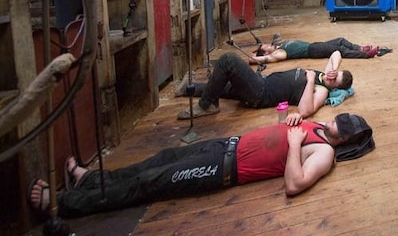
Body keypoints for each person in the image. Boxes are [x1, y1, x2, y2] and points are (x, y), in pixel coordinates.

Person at [29, 113, 374, 218]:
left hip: (222, 169)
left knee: (152, 181)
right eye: (336, 119)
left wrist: (297, 143)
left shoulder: (324, 153)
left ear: (342, 140)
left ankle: (62, 206)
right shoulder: (316, 126)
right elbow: (281, 125)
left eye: (338, 128)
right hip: (227, 144)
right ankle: (90, 179)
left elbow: (294, 185)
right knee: (159, 159)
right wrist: (290, 118)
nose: (331, 123)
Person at [176, 50, 353, 120]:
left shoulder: (322, 90)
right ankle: (187, 89)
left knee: (228, 60)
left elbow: (305, 111)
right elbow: (336, 53)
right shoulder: (326, 74)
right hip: (262, 82)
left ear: (335, 88)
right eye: (334, 75)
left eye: (334, 80)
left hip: (260, 93)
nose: (331, 77)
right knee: (222, 87)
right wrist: (334, 69)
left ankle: (206, 106)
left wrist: (310, 81)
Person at [250, 37, 392, 65]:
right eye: (265, 47)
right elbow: (265, 60)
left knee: (341, 40)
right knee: (339, 49)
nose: (267, 45)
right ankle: (365, 55)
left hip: (314, 45)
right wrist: (255, 57)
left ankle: (358, 48)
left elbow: (277, 36)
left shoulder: (279, 46)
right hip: (313, 50)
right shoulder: (277, 54)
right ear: (267, 52)